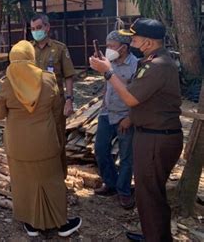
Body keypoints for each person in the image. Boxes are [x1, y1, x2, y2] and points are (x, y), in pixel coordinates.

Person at [89, 18, 183, 242]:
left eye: (134, 37)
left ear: (148, 42)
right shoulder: (151, 61)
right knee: (148, 193)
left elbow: (130, 98)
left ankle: (156, 238)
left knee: (150, 194)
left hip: (156, 138)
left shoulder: (158, 66)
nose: (131, 40)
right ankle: (154, 234)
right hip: (151, 135)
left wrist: (109, 72)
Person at [0, 40, 82, 238]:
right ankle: (62, 224)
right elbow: (56, 109)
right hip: (45, 141)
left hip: (17, 145)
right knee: (52, 181)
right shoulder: (48, 79)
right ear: (31, 57)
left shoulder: (6, 84)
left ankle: (31, 224)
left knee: (23, 182)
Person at [94, 31, 138, 210]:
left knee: (127, 156)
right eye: (107, 45)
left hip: (125, 116)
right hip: (107, 113)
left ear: (124, 48)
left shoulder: (136, 66)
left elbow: (137, 95)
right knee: (101, 149)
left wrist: (130, 117)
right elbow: (108, 85)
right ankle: (110, 183)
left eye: (112, 46)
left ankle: (124, 191)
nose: (108, 50)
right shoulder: (108, 62)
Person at [30, 13, 75, 178]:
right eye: (33, 29)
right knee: (37, 140)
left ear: (47, 27)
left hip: (56, 103)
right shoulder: (28, 49)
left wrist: (69, 101)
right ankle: (42, 175)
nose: (36, 32)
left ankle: (60, 176)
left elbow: (68, 76)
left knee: (57, 139)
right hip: (33, 103)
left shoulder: (59, 48)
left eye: (39, 28)